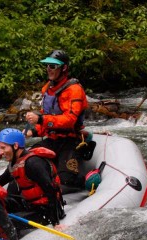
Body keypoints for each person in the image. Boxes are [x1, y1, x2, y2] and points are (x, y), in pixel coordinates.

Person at [24, 49, 90, 189]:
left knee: (67, 180)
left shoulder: (74, 90)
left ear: (64, 68)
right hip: (53, 139)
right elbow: (47, 119)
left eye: (53, 66)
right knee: (27, 161)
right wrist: (33, 132)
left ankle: (88, 179)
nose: (49, 69)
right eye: (47, 66)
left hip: (71, 140)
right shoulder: (47, 89)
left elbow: (70, 120)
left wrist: (41, 120)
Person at [0, 128, 65, 236]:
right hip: (29, 205)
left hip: (46, 211)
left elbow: (51, 192)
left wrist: (55, 223)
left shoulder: (33, 163)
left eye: (3, 148)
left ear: (16, 146)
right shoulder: (15, 163)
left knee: (8, 221)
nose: (1, 152)